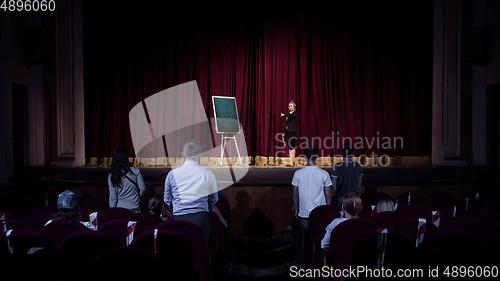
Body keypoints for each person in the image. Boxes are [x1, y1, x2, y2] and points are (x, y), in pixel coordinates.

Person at [164, 140, 219, 250]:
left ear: (183, 154)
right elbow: (214, 200)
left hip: (178, 219)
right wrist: (206, 209)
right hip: (201, 218)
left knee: (180, 252)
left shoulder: (172, 174)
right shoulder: (207, 174)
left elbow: (167, 200)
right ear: (199, 155)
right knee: (200, 252)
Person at [292, 146, 332, 229]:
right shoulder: (324, 174)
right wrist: (328, 208)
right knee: (319, 235)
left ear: (305, 157)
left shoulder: (298, 173)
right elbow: (328, 194)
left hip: (304, 213)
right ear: (317, 156)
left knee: (305, 237)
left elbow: (295, 194)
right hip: (320, 213)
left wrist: (296, 209)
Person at [108, 147, 146, 212]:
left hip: (120, 210)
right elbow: (142, 189)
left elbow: (113, 197)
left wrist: (112, 211)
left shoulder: (112, 175)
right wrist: (138, 198)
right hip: (135, 208)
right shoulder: (135, 170)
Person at [331, 142, 364, 207]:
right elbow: (359, 184)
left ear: (341, 153)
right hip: (354, 197)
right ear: (352, 153)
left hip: (341, 197)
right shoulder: (358, 166)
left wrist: (338, 193)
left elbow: (333, 185)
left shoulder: (337, 166)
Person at [280, 100, 298, 167]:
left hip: (293, 132)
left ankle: (292, 162)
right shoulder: (288, 115)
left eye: (291, 106)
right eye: (289, 106)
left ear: (294, 107)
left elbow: (291, 115)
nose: (290, 107)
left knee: (292, 146)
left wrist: (284, 115)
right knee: (289, 147)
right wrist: (284, 133)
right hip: (288, 132)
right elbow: (286, 125)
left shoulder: (295, 113)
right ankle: (291, 162)